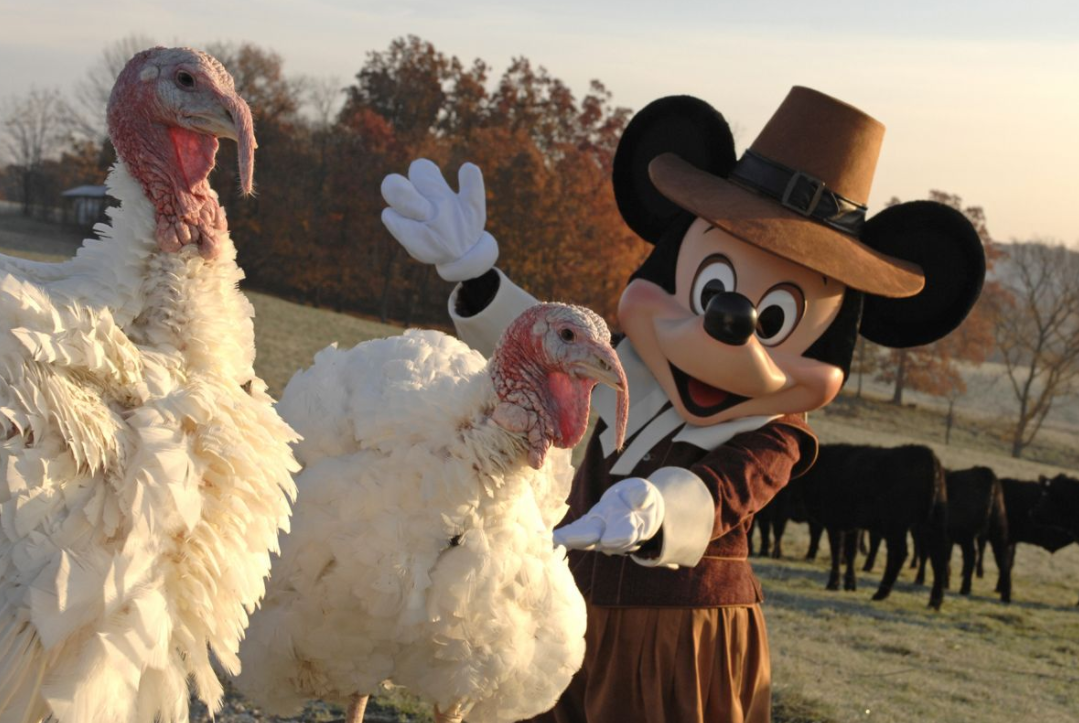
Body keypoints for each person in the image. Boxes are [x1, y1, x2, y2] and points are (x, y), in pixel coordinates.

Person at [381, 86, 985, 723]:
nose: (728, 325)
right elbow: (546, 343)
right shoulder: (630, 367)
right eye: (715, 287)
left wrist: (653, 506)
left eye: (773, 317)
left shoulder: (777, 431)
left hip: (679, 638)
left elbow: (727, 488)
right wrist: (476, 274)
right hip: (562, 608)